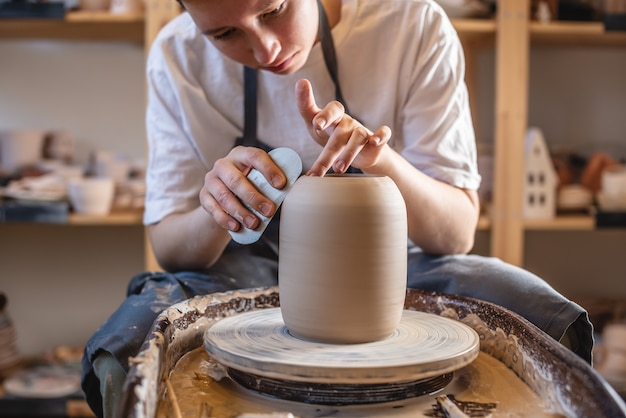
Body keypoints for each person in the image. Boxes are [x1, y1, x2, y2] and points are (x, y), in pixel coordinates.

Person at [81, 0, 594, 416]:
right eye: (225, 35)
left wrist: (381, 159)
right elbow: (170, 247)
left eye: (273, 9)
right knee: (127, 345)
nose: (266, 48)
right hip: (244, 265)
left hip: (398, 263)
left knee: (535, 312)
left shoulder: (413, 24)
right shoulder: (176, 56)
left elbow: (456, 233)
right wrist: (219, 209)